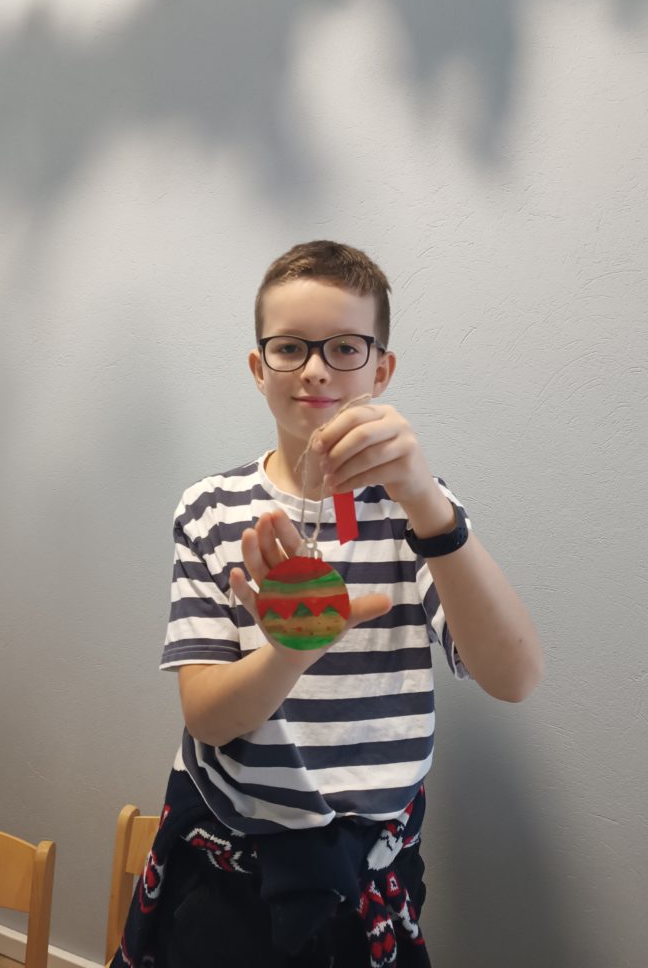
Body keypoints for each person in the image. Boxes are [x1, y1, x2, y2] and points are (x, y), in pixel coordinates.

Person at [112, 241, 542, 968]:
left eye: (344, 347)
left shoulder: (420, 513)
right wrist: (289, 654)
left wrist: (427, 501)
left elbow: (514, 676)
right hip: (227, 873)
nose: (315, 369)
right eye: (290, 348)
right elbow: (208, 717)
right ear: (259, 369)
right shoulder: (212, 509)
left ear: (381, 370)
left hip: (372, 876)